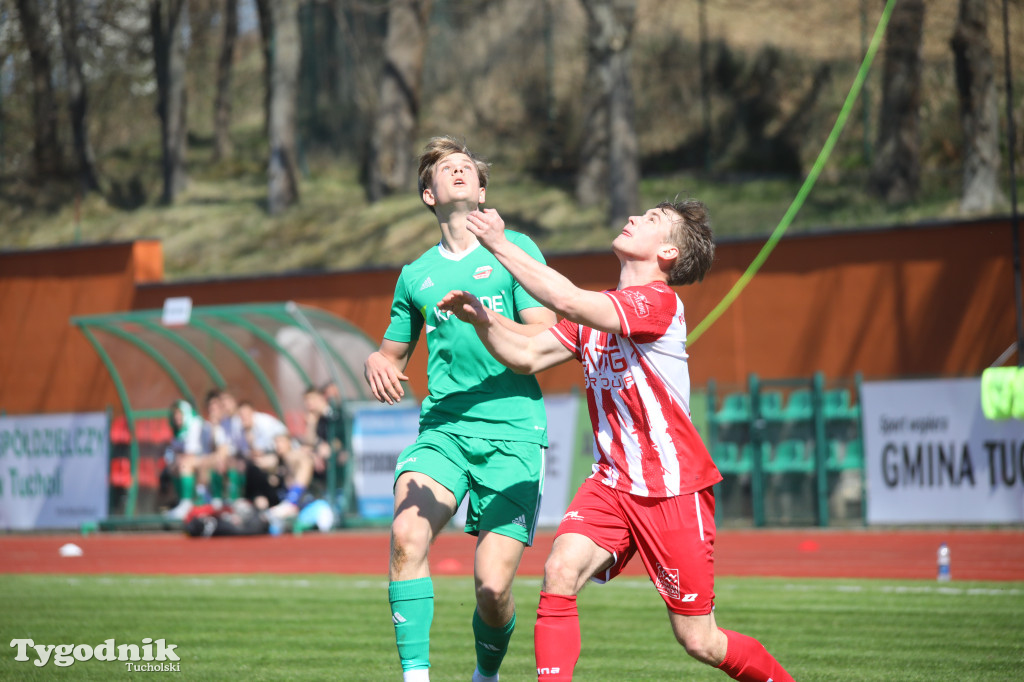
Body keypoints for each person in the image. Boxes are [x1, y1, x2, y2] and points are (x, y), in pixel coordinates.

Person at [438, 199, 795, 682]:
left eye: (650, 220)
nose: (632, 218)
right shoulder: (600, 310)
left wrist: (498, 242)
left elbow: (566, 299)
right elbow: (524, 352)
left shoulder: (658, 302)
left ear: (668, 252)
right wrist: (484, 320)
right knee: (559, 571)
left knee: (700, 640)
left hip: (672, 490)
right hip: (610, 484)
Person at [364, 135, 557, 682]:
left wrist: (484, 320)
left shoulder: (514, 250)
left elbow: (543, 340)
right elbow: (390, 353)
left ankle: (485, 675)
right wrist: (374, 362)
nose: (457, 173)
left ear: (481, 190)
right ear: (429, 195)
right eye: (446, 169)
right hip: (444, 431)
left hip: (514, 431)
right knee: (406, 537)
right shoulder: (415, 275)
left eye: (466, 168)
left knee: (493, 588)